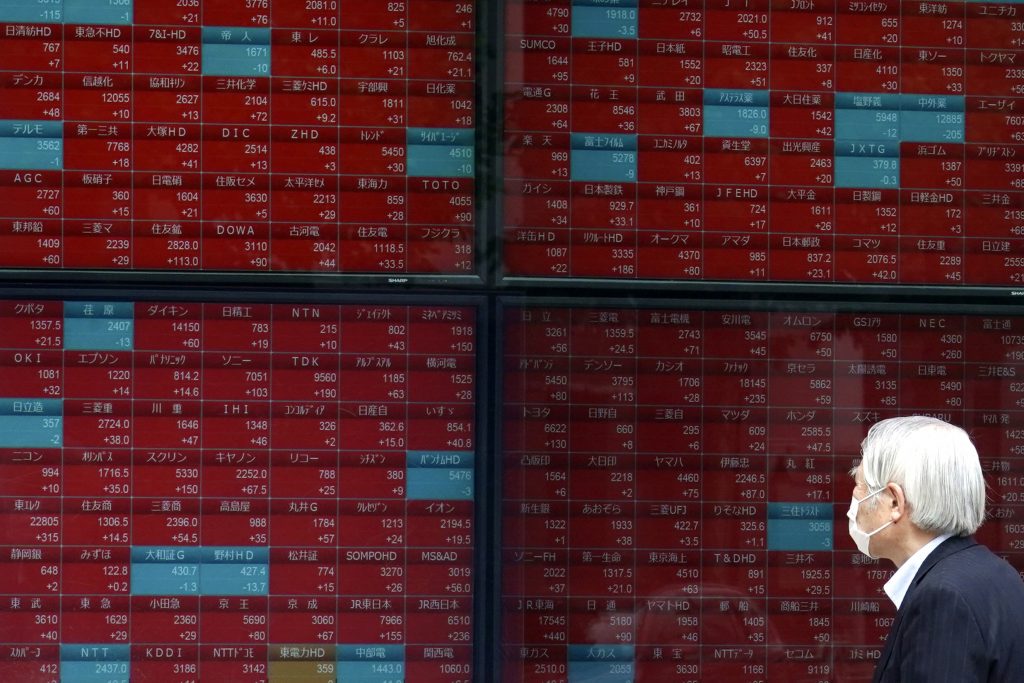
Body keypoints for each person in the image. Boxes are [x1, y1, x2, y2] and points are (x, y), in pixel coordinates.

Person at [848, 415, 1024, 683]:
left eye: (860, 485)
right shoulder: (997, 573)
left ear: (895, 502)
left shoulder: (942, 598)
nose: (855, 500)